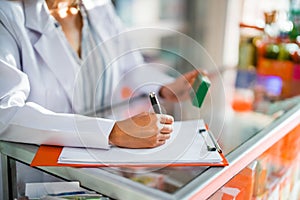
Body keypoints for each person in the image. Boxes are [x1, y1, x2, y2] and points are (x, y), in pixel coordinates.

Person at [0, 0, 199, 149]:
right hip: (43, 174)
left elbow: (129, 64)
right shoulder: (7, 15)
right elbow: (5, 112)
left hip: (106, 166)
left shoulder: (98, 6)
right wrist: (111, 132)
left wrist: (164, 87)